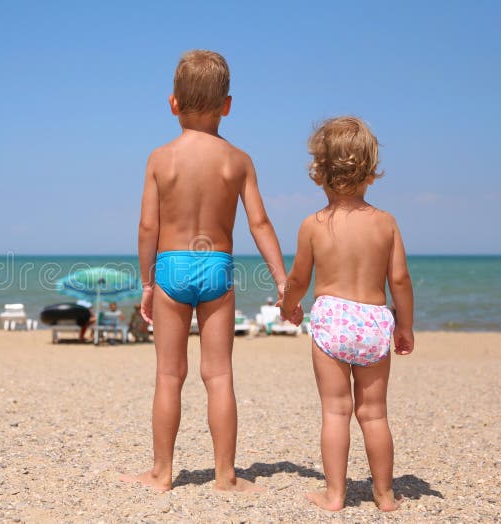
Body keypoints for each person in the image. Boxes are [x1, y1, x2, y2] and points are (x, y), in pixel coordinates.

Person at [121, 50, 287, 492]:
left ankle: (160, 473)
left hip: (171, 265)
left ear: (172, 102)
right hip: (217, 267)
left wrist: (147, 283)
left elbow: (147, 226)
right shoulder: (238, 160)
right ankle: (226, 475)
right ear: (227, 105)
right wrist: (283, 280)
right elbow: (259, 223)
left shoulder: (160, 159)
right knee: (219, 375)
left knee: (168, 376)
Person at [280, 116, 414, 512]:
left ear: (319, 172)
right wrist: (404, 325)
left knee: (335, 411)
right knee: (374, 414)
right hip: (374, 322)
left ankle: (335, 495)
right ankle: (385, 496)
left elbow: (298, 279)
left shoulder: (313, 225)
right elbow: (401, 280)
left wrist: (289, 307)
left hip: (332, 321)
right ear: (371, 172)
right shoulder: (386, 223)